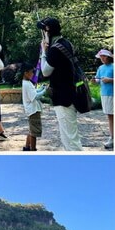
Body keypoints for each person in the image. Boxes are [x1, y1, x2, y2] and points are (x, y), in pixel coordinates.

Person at [38, 17, 82, 150]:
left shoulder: (55, 49)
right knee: (67, 136)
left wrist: (43, 52)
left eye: (43, 31)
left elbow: (45, 71)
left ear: (48, 31)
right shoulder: (66, 43)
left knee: (70, 137)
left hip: (64, 98)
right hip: (70, 93)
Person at [21, 62, 45, 151]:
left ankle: (27, 147)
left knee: (31, 130)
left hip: (31, 110)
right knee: (34, 132)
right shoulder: (27, 84)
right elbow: (36, 96)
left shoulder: (26, 82)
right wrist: (45, 90)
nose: (32, 74)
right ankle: (33, 149)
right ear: (25, 73)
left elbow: (34, 92)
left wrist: (41, 88)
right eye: (31, 72)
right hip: (33, 111)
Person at [95, 49, 114, 149]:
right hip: (104, 95)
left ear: (109, 57)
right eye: (101, 57)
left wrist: (110, 80)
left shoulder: (114, 67)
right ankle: (112, 137)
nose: (102, 58)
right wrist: (95, 81)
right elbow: (98, 79)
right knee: (109, 116)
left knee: (113, 116)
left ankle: (113, 138)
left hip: (113, 95)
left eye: (104, 56)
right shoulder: (100, 68)